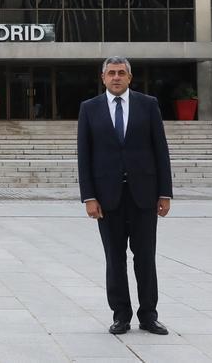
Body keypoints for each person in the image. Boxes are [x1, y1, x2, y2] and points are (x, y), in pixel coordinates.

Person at [77, 56, 171, 337]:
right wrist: (89, 197)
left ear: (130, 77)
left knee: (145, 258)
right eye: (111, 73)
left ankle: (149, 316)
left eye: (121, 73)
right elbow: (85, 156)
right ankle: (120, 315)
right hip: (107, 199)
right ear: (103, 78)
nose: (116, 77)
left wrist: (164, 193)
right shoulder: (89, 109)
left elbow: (160, 151)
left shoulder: (148, 105)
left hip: (144, 196)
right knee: (114, 258)